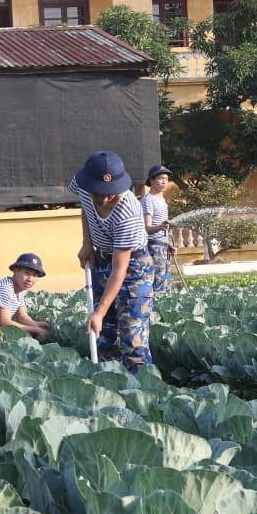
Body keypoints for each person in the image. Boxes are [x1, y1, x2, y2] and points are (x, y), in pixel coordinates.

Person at [71, 150, 154, 370]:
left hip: (133, 267)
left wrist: (98, 312)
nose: (104, 198)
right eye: (98, 192)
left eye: (110, 193)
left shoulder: (128, 210)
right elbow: (85, 208)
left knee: (131, 332)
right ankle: (110, 385)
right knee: (104, 334)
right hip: (102, 258)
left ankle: (144, 389)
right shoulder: (82, 185)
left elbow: (120, 270)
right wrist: (87, 243)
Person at [141, 164, 176, 295]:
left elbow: (163, 230)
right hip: (154, 247)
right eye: (160, 178)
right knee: (157, 284)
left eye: (166, 179)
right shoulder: (148, 200)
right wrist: (160, 227)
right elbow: (147, 229)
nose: (164, 181)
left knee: (166, 284)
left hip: (163, 247)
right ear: (151, 180)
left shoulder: (162, 200)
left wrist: (169, 244)